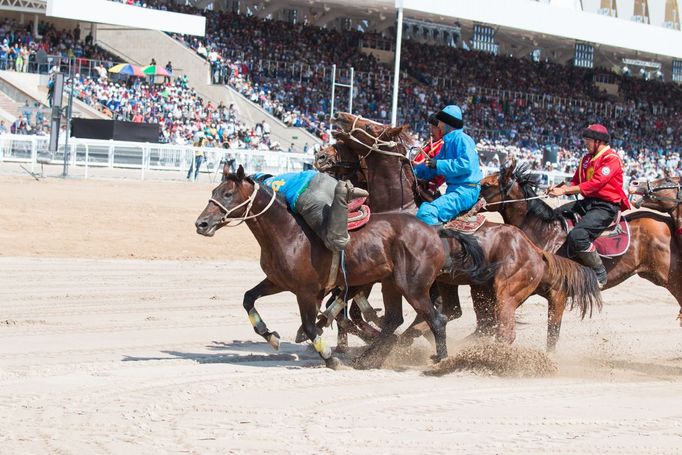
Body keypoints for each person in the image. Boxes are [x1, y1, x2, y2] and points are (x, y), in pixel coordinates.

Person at [547, 124, 631, 288]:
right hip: (588, 202)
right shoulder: (586, 159)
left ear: (598, 142)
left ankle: (600, 273)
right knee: (553, 215)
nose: (585, 143)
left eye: (588, 140)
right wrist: (559, 188)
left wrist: (565, 191)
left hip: (606, 207)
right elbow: (575, 182)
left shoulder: (611, 159)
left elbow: (594, 184)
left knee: (578, 236)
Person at [254, 170, 368, 252]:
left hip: (304, 194)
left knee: (337, 242)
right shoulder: (281, 177)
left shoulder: (263, 191)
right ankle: (348, 191)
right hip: (320, 177)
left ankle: (341, 194)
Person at [413, 105, 482, 226]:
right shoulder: (447, 143)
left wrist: (438, 164)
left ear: (447, 124)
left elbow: (466, 164)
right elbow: (432, 166)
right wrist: (412, 171)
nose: (438, 125)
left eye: (440, 122)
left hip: (466, 191)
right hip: (455, 190)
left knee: (426, 212)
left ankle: (439, 245)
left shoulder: (463, 140)